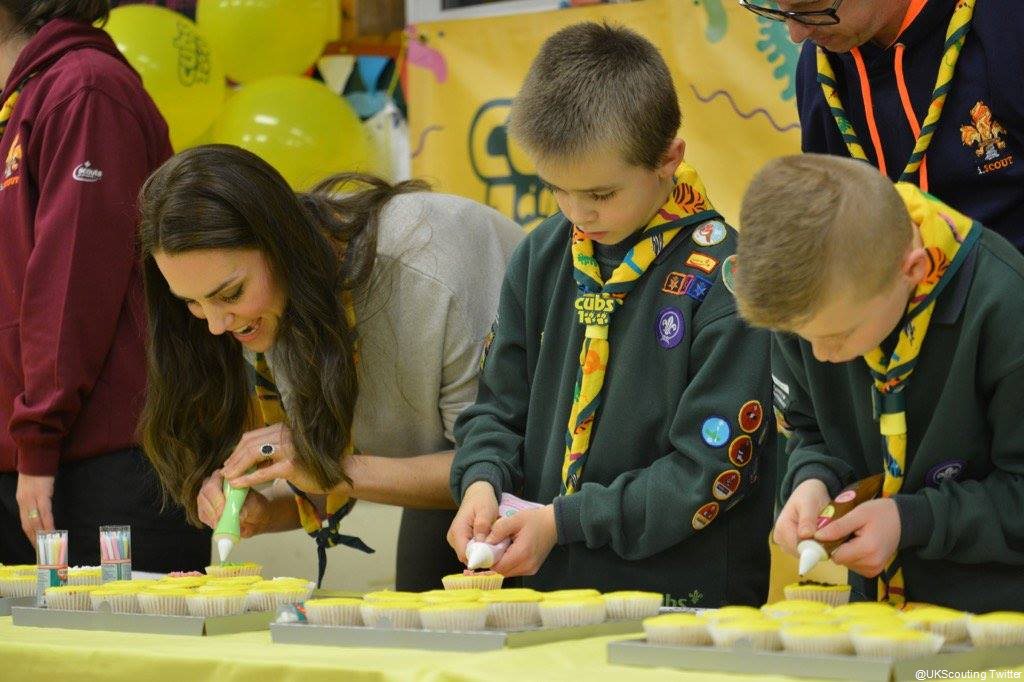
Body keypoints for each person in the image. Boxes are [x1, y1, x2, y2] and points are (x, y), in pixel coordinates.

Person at [446, 22, 775, 607]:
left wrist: (567, 522)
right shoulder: (543, 255)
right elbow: (497, 408)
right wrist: (480, 479)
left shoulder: (731, 283)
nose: (579, 214)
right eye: (557, 189)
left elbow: (707, 473)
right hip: (542, 597)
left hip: (681, 607)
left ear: (669, 159)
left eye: (600, 195)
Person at [138, 143, 522, 590]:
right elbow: (342, 470)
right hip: (453, 499)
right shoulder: (266, 303)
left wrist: (325, 465)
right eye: (192, 303)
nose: (217, 325)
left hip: (556, 489)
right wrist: (266, 506)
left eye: (230, 294)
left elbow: (495, 463)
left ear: (283, 245)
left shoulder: (430, 271)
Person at [733, 153, 1024, 612]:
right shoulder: (810, 308)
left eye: (837, 337)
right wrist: (813, 481)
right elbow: (810, 431)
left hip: (995, 628)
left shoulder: (1006, 308)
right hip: (877, 621)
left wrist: (913, 521)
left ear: (913, 272)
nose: (820, 355)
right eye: (801, 338)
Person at [0, 0, 211, 570]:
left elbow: (69, 291)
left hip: (101, 465)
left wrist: (37, 441)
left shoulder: (85, 89)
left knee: (120, 658)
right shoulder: (21, 103)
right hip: (35, 460)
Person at [740, 0, 1024, 250]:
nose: (796, 34)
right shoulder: (820, 67)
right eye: (782, 10)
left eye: (810, 5)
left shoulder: (1006, 21)